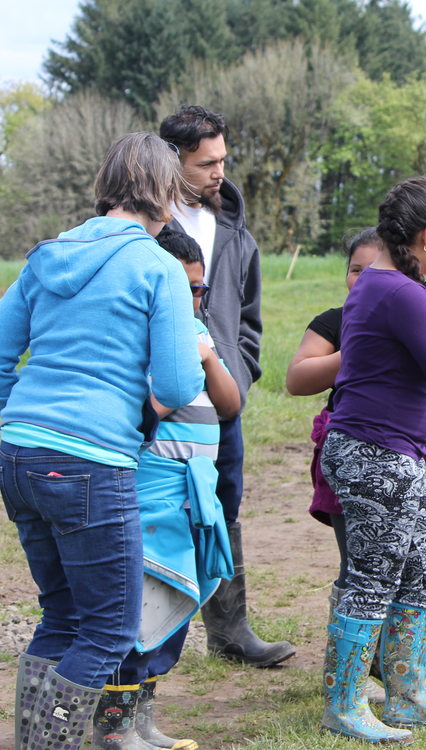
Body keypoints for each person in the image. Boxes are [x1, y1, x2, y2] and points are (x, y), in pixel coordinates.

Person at [0, 132, 203, 750]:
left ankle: (34, 743)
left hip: (18, 454)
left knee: (61, 615)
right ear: (165, 194)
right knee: (110, 632)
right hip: (90, 464)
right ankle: (53, 744)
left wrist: (23, 422)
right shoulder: (158, 266)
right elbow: (176, 380)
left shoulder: (47, 254)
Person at [319, 177, 426, 744]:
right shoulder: (402, 291)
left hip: (397, 453)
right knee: (373, 577)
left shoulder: (379, 284)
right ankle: (344, 703)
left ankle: (408, 695)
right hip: (374, 453)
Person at [160, 105, 295, 667]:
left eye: (223, 160)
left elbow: (248, 317)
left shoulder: (233, 229)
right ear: (173, 161)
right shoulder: (139, 225)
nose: (220, 173)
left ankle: (230, 631)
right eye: (205, 162)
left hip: (221, 400)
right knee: (156, 510)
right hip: (155, 401)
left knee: (224, 508)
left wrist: (237, 374)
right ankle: (142, 633)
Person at [95, 228, 239, 750]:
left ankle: (143, 716)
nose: (194, 299)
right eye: (184, 289)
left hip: (191, 498)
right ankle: (114, 724)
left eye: (200, 289)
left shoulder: (197, 330)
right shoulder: (138, 335)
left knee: (173, 605)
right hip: (152, 494)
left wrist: (206, 356)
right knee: (140, 609)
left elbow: (231, 404)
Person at [285, 229, 387, 707]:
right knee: (358, 562)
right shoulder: (335, 322)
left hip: (410, 454)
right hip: (351, 455)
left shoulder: (417, 315)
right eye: (355, 270)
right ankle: (352, 673)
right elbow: (297, 378)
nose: (362, 279)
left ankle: (395, 667)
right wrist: (355, 354)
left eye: (375, 270)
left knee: (409, 562)